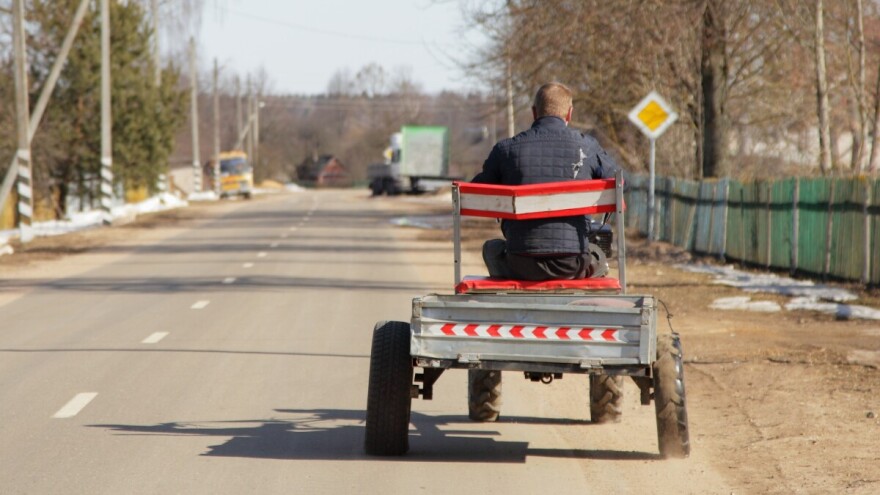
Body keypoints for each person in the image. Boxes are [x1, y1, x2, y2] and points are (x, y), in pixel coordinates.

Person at [472, 82, 621, 281]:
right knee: (598, 256)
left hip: (519, 264)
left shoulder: (506, 150)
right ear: (569, 114)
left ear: (534, 112)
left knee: (491, 248)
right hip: (573, 265)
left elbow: (475, 191)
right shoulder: (587, 147)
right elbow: (620, 183)